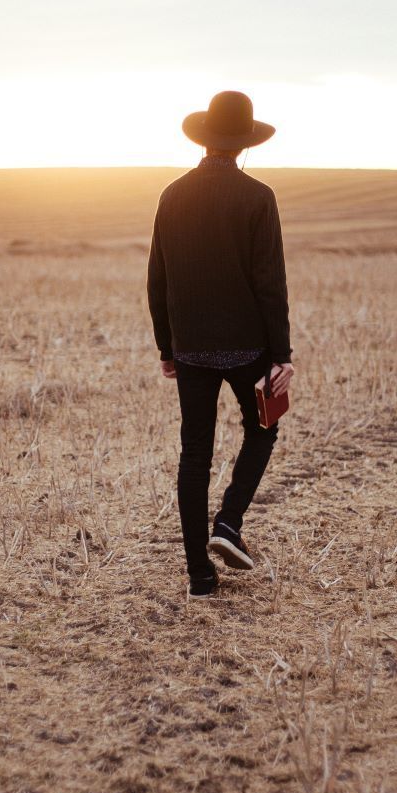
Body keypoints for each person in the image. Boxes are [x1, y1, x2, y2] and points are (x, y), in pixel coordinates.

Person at [147, 90, 295, 598]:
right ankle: (228, 524)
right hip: (250, 347)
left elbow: (157, 280)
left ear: (205, 138)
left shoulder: (171, 195)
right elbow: (269, 282)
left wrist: (167, 347)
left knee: (195, 453)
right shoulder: (259, 197)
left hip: (190, 348)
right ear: (244, 143)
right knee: (265, 429)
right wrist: (283, 356)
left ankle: (199, 576)